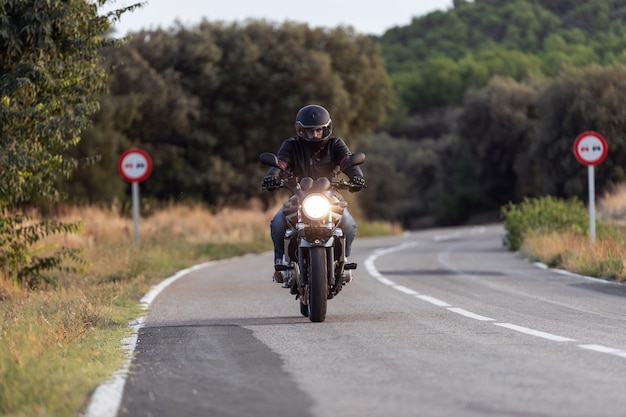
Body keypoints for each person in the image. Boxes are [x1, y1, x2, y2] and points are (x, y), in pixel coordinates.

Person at [262, 104, 366, 284]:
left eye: (319, 130)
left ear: (327, 129)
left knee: (348, 223)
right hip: (299, 195)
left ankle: (343, 261)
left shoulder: (335, 144)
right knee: (278, 223)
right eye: (310, 131)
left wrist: (357, 178)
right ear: (300, 130)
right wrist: (272, 176)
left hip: (330, 196)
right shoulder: (291, 145)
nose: (315, 134)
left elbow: (347, 162)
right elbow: (280, 163)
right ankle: (280, 262)